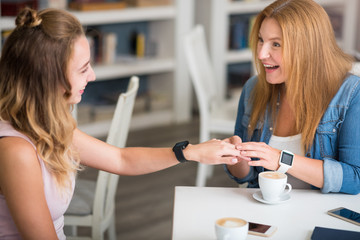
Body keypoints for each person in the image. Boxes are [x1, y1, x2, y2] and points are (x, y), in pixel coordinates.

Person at [0, 8, 241, 239]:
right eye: (83, 69)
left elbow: (120, 159)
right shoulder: (16, 152)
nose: (92, 76)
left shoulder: (49, 124)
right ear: (49, 78)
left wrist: (190, 152)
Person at [225, 0, 360, 195]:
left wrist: (281, 159)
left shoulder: (351, 94)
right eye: (261, 40)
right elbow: (248, 178)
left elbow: (355, 178)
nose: (262, 54)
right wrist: (236, 160)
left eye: (276, 44)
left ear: (308, 49)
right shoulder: (253, 89)